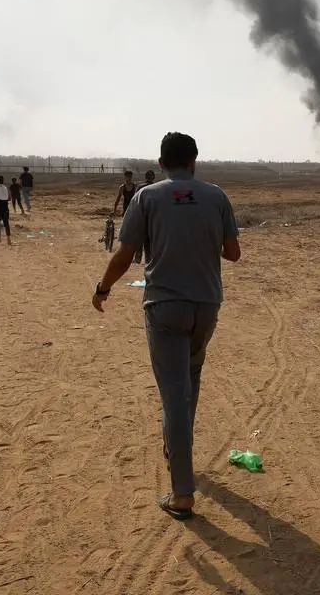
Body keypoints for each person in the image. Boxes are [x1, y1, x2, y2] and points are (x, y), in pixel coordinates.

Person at [91, 132, 241, 521]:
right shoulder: (217, 196)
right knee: (190, 380)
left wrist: (103, 288)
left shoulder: (147, 197)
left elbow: (125, 253)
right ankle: (177, 450)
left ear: (160, 163)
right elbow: (233, 253)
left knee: (174, 394)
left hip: (164, 306)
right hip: (206, 305)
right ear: (195, 159)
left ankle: (182, 494)